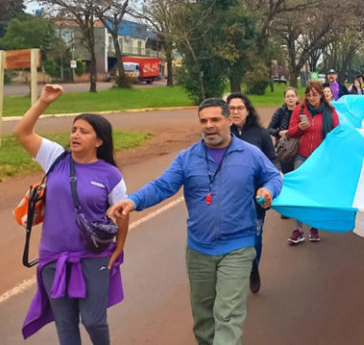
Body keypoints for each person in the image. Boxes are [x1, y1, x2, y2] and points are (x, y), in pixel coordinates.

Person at [108, 98, 282, 345]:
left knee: (228, 316)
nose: (209, 125)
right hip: (199, 249)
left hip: (238, 247)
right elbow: (163, 185)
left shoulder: (250, 154)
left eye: (215, 119)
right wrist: (134, 201)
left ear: (228, 120)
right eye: (204, 121)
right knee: (203, 321)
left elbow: (274, 176)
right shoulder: (187, 158)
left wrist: (268, 190)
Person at [14, 84, 129, 344]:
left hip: (94, 256)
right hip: (53, 258)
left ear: (99, 140)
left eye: (84, 132)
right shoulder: (55, 158)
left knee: (93, 320)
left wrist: (118, 249)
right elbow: (21, 132)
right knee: (65, 326)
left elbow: (122, 214)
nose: (75, 135)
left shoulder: (110, 174)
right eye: (74, 130)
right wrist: (43, 101)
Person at [226, 93, 278, 295]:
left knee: (254, 238)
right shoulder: (222, 134)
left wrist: (272, 181)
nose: (236, 112)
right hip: (229, 199)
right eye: (231, 108)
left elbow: (272, 161)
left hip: (255, 199)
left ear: (247, 110)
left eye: (240, 108)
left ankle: (253, 268)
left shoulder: (261, 134)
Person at [287, 81, 340, 244]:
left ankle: (314, 227)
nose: (311, 98)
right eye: (308, 95)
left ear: (321, 95)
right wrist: (301, 128)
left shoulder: (330, 112)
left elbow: (337, 135)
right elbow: (290, 131)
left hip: (320, 159)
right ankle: (299, 229)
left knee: (315, 194)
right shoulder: (299, 109)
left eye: (315, 94)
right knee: (299, 194)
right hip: (301, 157)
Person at [268, 87, 299, 173]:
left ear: (297, 98)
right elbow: (269, 129)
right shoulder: (280, 111)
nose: (290, 98)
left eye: (292, 96)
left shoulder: (303, 111)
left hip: (298, 148)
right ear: (284, 99)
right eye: (288, 96)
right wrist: (278, 133)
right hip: (283, 148)